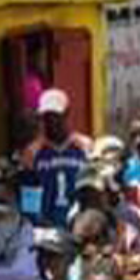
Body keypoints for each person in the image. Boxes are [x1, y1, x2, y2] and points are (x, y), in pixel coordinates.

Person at [27, 89, 91, 229]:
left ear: (67, 114)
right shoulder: (33, 152)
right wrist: (35, 222)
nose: (51, 122)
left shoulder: (84, 146)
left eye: (56, 116)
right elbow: (29, 194)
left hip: (79, 226)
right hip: (44, 228)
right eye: (47, 117)